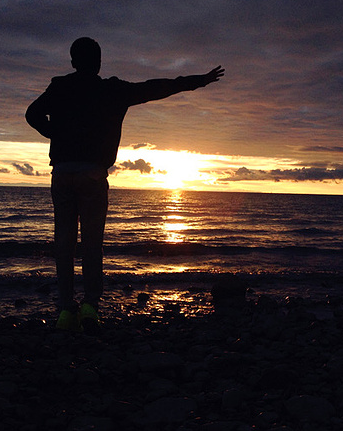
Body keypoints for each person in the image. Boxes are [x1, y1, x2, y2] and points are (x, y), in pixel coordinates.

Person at [26, 37, 224, 332]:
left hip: (63, 173)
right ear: (99, 62)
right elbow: (156, 87)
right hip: (92, 175)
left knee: (64, 244)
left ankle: (66, 311)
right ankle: (91, 306)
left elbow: (32, 114)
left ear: (72, 62)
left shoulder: (60, 87)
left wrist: (55, 133)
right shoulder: (112, 90)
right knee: (92, 244)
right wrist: (198, 81)